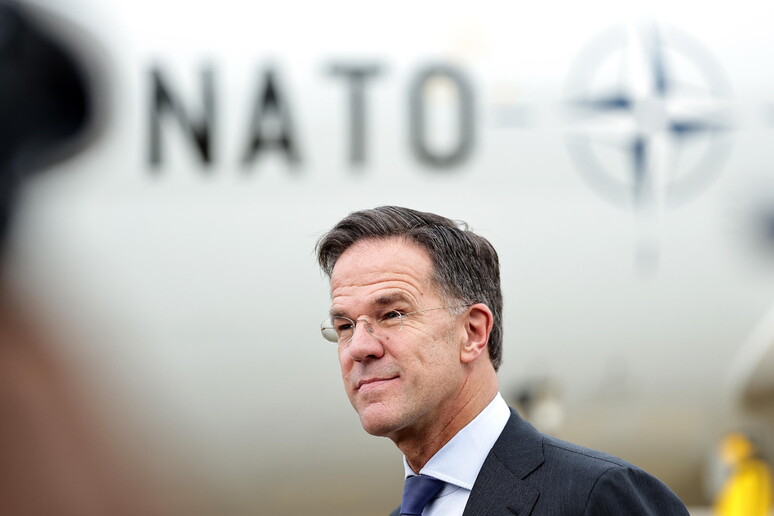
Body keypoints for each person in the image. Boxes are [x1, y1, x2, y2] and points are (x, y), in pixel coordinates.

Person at [316, 206, 689, 516]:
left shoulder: (595, 496)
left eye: (392, 315)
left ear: (473, 332)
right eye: (345, 325)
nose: (358, 347)